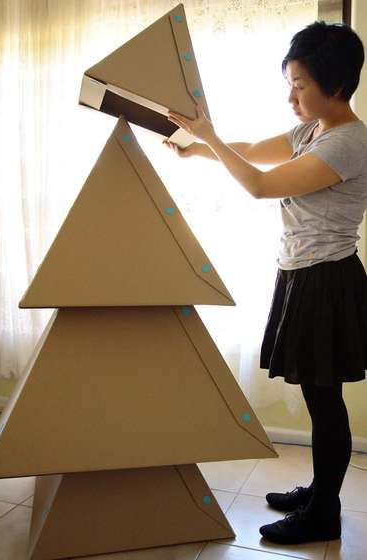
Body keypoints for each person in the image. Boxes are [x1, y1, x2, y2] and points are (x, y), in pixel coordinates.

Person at [164, 20, 367, 546]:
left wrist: (207, 136)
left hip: (326, 281)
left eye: (300, 85)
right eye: (290, 83)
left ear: (337, 85)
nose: (291, 96)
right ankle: (322, 491)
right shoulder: (311, 131)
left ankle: (323, 511)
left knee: (325, 401)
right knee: (316, 394)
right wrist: (196, 147)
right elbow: (254, 149)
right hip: (302, 274)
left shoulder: (348, 143)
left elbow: (258, 185)